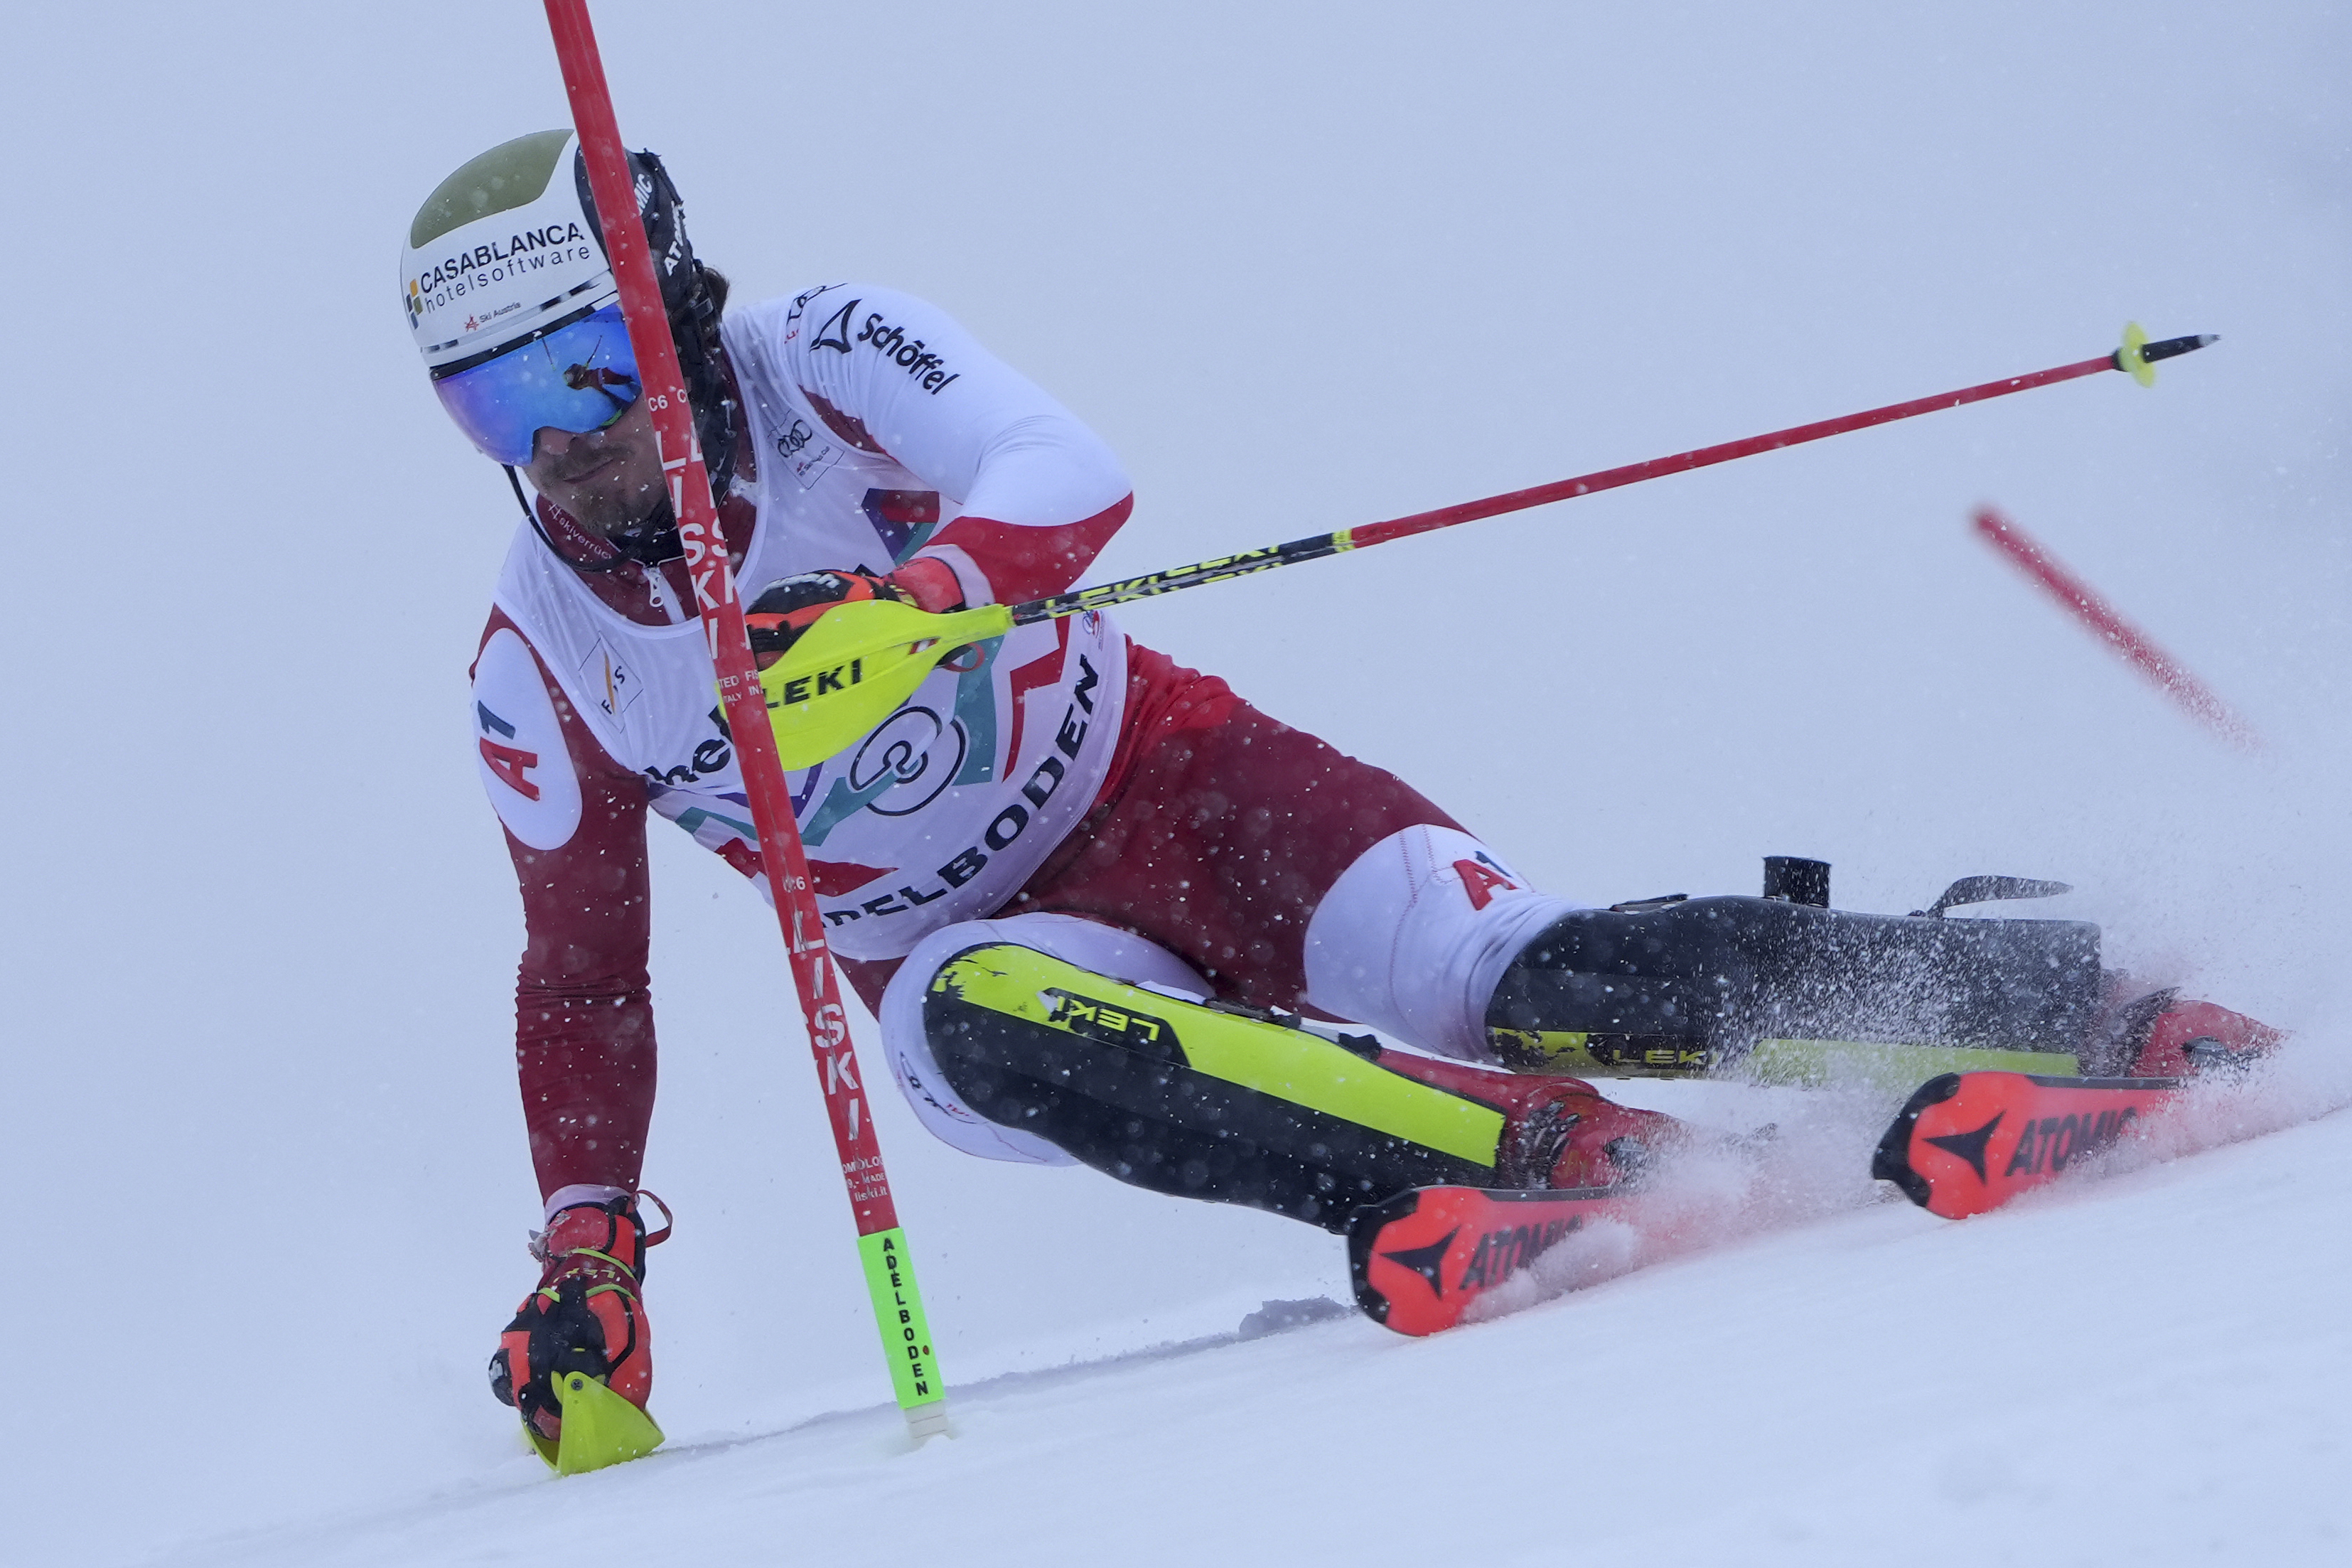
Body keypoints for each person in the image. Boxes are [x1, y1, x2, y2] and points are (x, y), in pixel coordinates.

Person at [402, 131, 2278, 1450]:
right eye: (496, 412)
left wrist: (925, 601)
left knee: (1520, 980)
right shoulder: (539, 659)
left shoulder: (819, 354)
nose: (561, 449)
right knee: (983, 1019)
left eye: (585, 371)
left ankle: (2101, 1014)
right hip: (963, 957)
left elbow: (1070, 464)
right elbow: (581, 977)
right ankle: (1543, 1166)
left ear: (668, 303)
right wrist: (588, 1248)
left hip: (1171, 776)